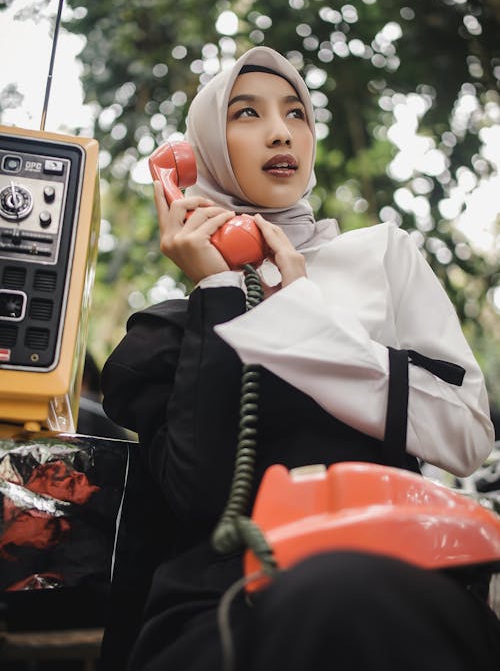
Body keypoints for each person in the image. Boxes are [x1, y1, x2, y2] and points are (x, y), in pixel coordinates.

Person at [100, 46, 500, 670]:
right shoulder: (165, 336)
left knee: (346, 602)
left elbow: (464, 434)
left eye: (295, 113)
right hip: (228, 597)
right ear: (199, 156)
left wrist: (304, 318)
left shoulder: (382, 260)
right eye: (246, 113)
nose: (281, 131)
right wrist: (218, 294)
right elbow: (205, 499)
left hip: (388, 568)